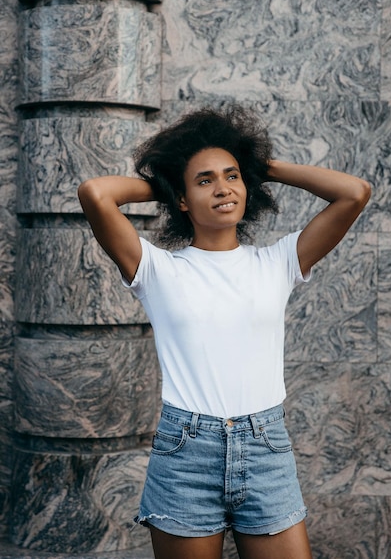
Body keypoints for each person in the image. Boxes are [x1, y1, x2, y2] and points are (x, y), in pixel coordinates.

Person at [78, 105, 371, 559]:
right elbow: (96, 193)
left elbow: (354, 193)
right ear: (181, 200)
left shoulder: (277, 262)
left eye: (232, 176)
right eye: (204, 181)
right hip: (185, 453)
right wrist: (167, 180)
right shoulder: (156, 269)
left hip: (266, 446)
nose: (223, 189)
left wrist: (261, 167)